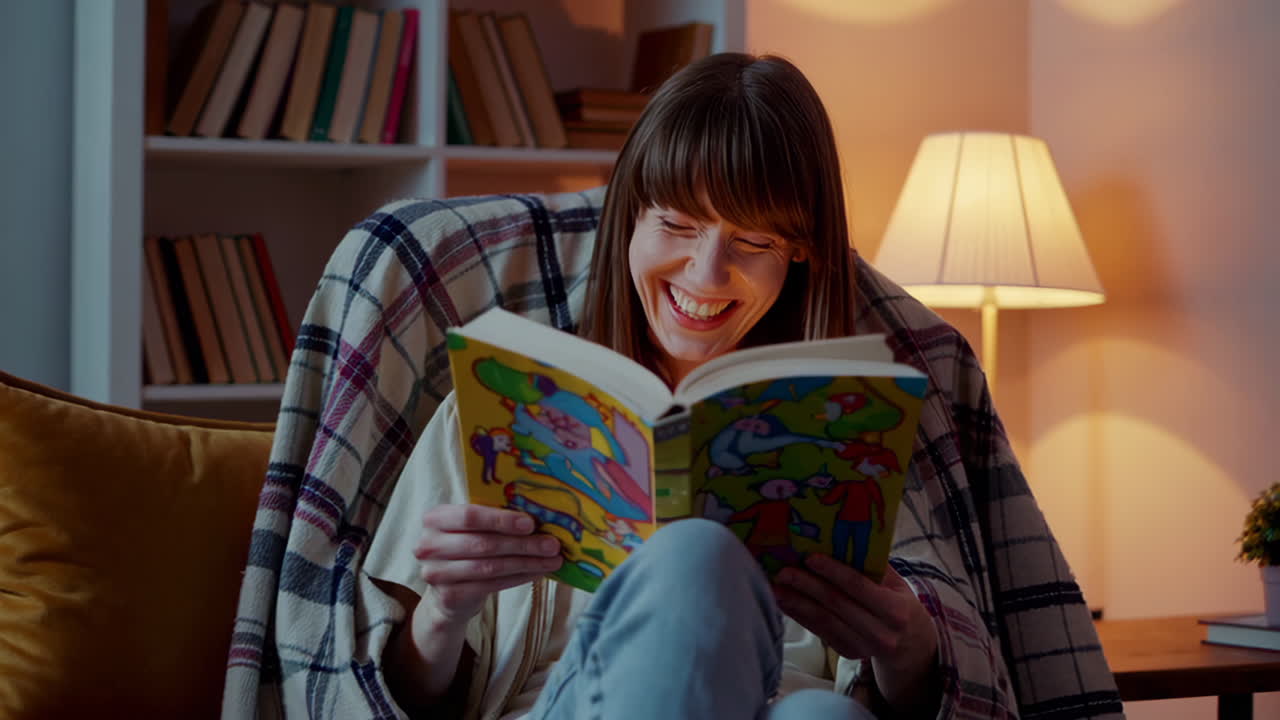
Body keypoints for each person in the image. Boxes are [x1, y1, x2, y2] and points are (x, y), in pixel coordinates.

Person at [350, 53, 1123, 720]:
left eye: (752, 241)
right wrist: (444, 613)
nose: (705, 275)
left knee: (823, 713)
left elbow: (923, 686)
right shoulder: (496, 408)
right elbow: (394, 697)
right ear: (629, 221)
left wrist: (913, 649)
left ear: (801, 255)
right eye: (678, 226)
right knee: (697, 558)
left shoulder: (860, 430)